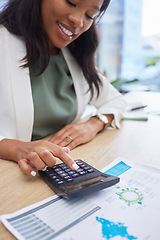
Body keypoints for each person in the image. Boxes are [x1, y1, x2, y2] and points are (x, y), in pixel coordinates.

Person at [0, 0, 126, 177]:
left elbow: (116, 100)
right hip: (12, 177)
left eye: (90, 15)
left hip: (55, 170)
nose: (79, 21)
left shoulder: (75, 52)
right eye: (71, 2)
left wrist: (94, 124)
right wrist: (18, 149)